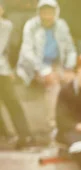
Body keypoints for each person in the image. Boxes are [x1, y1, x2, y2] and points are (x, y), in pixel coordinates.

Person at [16, 0, 76, 135]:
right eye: (44, 11)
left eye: (50, 11)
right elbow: (27, 53)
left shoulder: (62, 25)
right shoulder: (31, 26)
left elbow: (71, 50)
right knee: (53, 84)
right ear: (39, 12)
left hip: (57, 66)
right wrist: (42, 70)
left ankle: (75, 123)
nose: (47, 15)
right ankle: (53, 126)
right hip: (33, 68)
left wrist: (69, 68)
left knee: (74, 82)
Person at [0, 0, 34, 149]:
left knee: (12, 103)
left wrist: (10, 68)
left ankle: (25, 135)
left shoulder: (6, 25)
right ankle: (4, 134)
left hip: (2, 71)